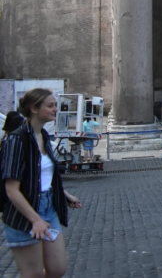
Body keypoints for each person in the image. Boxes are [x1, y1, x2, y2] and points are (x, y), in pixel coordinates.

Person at [1, 89, 82, 278]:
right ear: (34, 109)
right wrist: (35, 219)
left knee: (57, 269)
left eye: (55, 105)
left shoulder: (44, 136)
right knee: (33, 274)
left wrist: (65, 194)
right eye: (50, 105)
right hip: (24, 213)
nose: (56, 109)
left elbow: (45, 176)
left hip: (49, 207)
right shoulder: (16, 140)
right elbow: (11, 190)